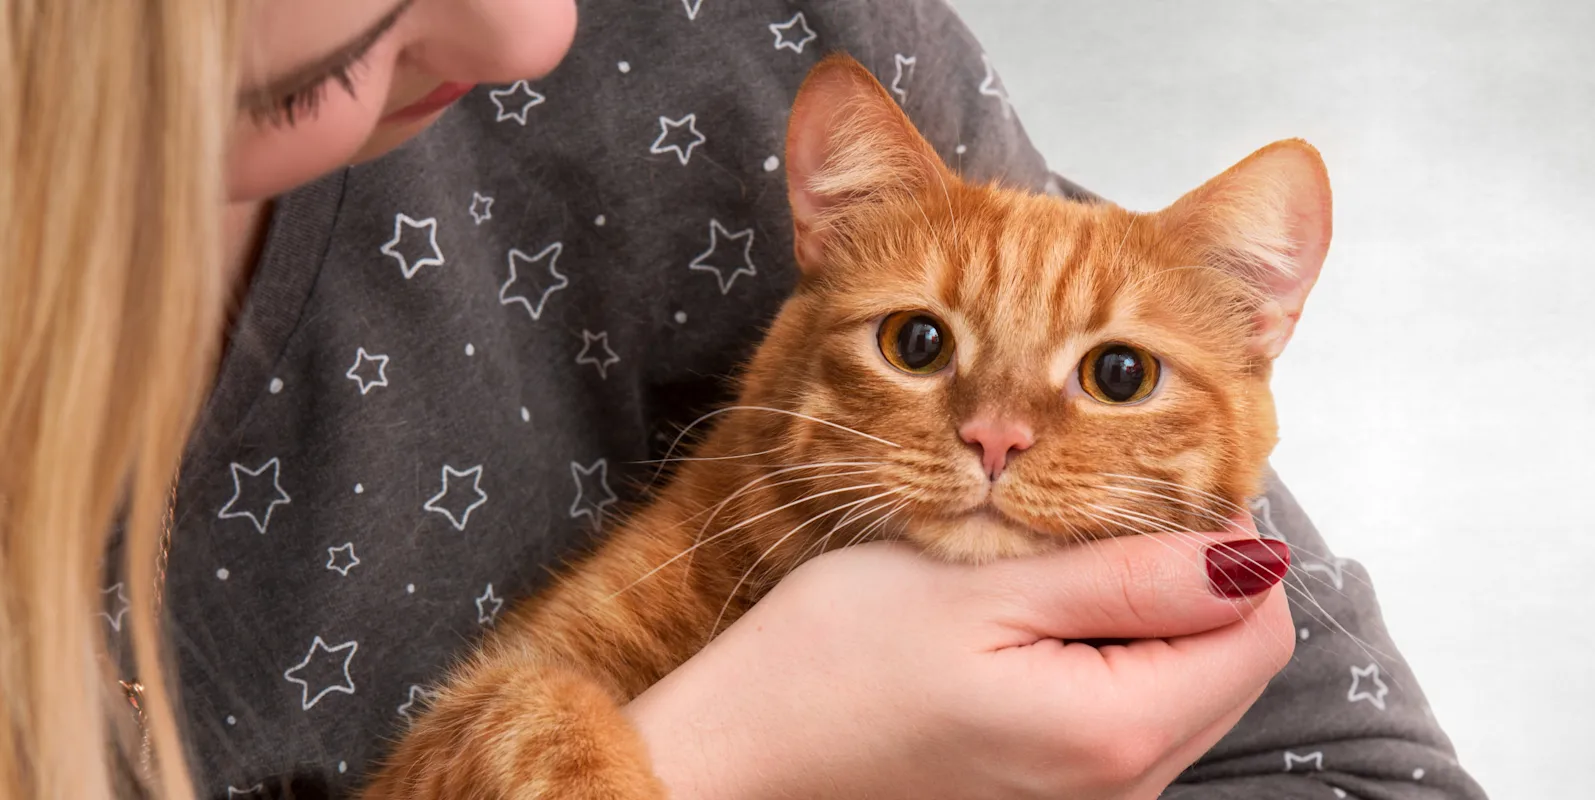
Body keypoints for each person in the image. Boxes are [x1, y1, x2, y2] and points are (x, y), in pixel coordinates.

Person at [1, 1, 1483, 798]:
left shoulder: (755, 27)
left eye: (1108, 378)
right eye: (351, 39)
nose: (539, 31)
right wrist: (724, 760)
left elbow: (1359, 775)